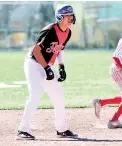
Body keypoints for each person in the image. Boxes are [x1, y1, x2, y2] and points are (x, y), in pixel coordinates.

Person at [17, 4, 78, 140]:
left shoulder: (67, 32)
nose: (70, 18)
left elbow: (60, 49)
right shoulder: (50, 30)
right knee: (36, 94)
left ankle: (61, 128)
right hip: (34, 64)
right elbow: (36, 50)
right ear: (59, 17)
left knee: (58, 95)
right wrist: (46, 68)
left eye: (71, 15)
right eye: (67, 15)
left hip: (47, 65)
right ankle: (23, 129)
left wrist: (61, 66)